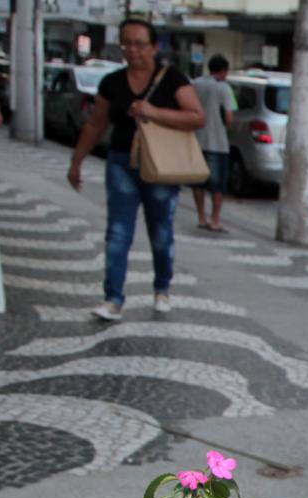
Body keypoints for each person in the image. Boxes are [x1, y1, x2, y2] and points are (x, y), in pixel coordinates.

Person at [67, 17, 205, 322]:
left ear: (154, 46)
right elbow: (95, 123)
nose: (133, 50)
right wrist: (76, 161)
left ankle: (162, 287)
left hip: (162, 166)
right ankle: (113, 298)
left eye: (140, 44)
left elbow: (197, 117)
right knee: (117, 232)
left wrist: (153, 112)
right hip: (121, 162)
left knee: (160, 232)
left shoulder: (173, 79)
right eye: (126, 43)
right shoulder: (112, 82)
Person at [191, 53, 235, 233]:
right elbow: (229, 117)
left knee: (198, 182)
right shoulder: (224, 88)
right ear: (224, 71)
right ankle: (215, 220)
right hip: (218, 143)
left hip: (197, 139)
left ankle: (201, 217)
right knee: (218, 185)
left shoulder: (195, 84)